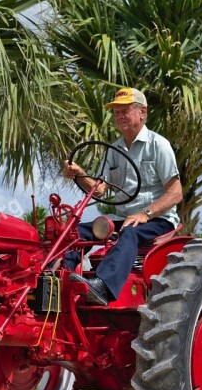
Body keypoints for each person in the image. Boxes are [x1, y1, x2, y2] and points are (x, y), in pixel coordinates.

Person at [63, 87, 183, 305]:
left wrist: (145, 213)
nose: (119, 116)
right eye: (116, 112)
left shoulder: (158, 145)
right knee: (76, 231)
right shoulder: (113, 149)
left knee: (130, 232)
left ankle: (103, 287)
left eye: (125, 111)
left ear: (142, 113)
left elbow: (176, 193)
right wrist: (80, 174)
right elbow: (99, 189)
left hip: (157, 220)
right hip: (124, 219)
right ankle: (61, 278)